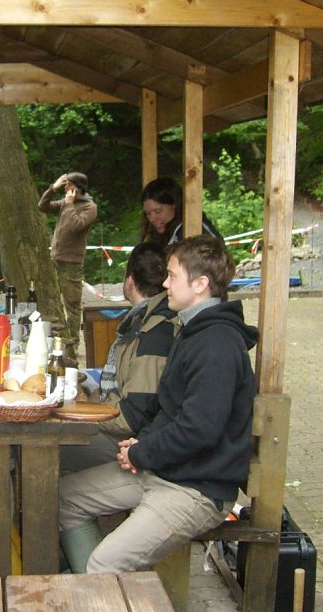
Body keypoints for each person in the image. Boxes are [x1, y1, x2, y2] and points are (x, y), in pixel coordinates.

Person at [59, 235, 258, 574]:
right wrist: (142, 445)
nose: (164, 283)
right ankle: (97, 591)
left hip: (196, 489)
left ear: (200, 284)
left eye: (172, 275)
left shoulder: (217, 345)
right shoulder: (192, 331)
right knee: (64, 498)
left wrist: (142, 453)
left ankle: (100, 585)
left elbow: (199, 429)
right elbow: (169, 409)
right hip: (167, 471)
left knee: (105, 565)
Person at [60, 243, 176, 472]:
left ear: (130, 281)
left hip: (128, 441)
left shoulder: (154, 333)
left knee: (47, 448)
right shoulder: (142, 322)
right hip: (127, 433)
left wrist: (79, 414)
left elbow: (132, 417)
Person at [38, 172, 97, 364]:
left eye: (68, 185)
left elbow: (75, 226)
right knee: (53, 299)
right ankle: (54, 341)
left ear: (77, 188)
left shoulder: (89, 207)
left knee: (72, 305)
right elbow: (43, 207)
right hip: (55, 258)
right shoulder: (65, 202)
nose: (65, 189)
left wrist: (70, 204)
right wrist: (52, 188)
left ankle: (72, 347)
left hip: (72, 262)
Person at [140, 177, 223, 248]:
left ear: (174, 204)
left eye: (158, 211)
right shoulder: (156, 236)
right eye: (148, 213)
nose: (152, 219)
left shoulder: (194, 228)